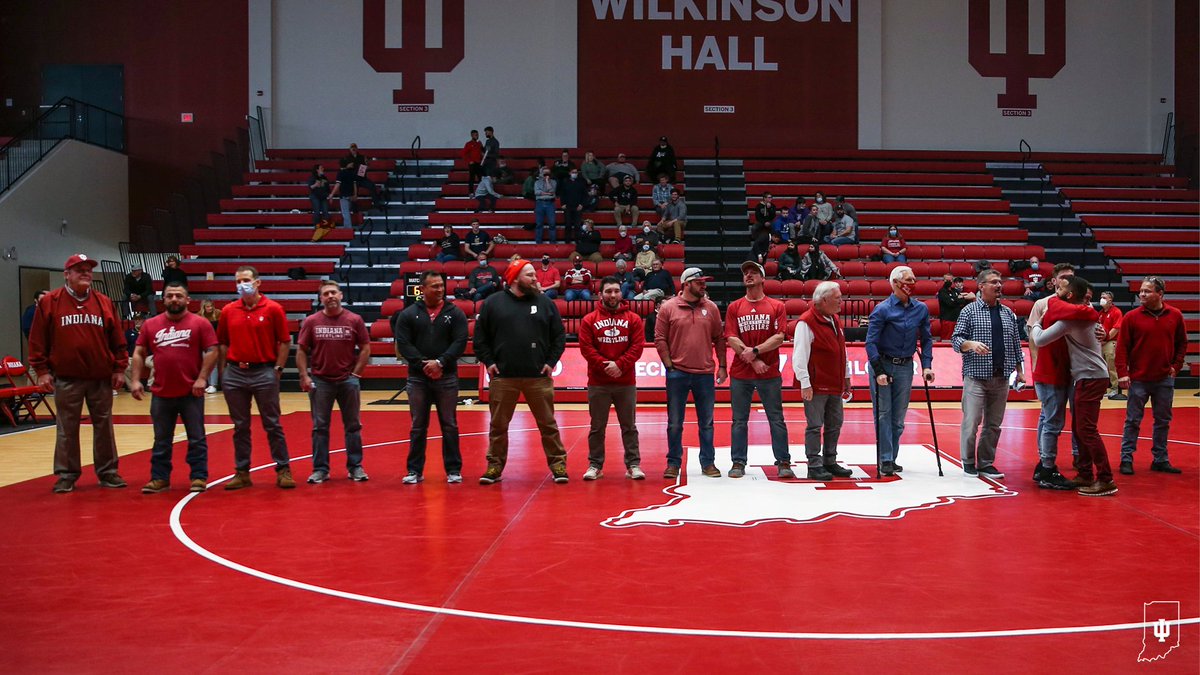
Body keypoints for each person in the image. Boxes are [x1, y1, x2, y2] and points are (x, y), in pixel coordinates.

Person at [29, 254, 129, 493]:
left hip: (100, 378)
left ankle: (108, 472)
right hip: (67, 377)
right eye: (79, 269)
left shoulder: (104, 302)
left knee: (104, 426)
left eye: (88, 269)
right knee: (67, 428)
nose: (85, 273)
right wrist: (42, 371)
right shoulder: (50, 302)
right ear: (67, 274)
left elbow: (117, 340)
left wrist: (119, 368)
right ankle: (66, 475)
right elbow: (37, 340)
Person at [474, 259, 568, 484]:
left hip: (538, 377)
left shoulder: (545, 303)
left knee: (548, 424)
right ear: (515, 278)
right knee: (498, 426)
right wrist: (489, 362)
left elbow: (559, 336)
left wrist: (551, 362)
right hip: (503, 377)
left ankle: (558, 464)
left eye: (535, 275)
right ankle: (494, 466)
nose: (535, 279)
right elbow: (480, 338)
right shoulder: (493, 303)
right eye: (530, 275)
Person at [1031, 276, 1118, 496]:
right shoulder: (1079, 313)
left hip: (1091, 377)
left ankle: (1106, 478)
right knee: (1080, 429)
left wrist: (1037, 323)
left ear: (1069, 295)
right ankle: (1085, 474)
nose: (1055, 292)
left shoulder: (1072, 318)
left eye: (1060, 289)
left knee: (1086, 429)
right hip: (1086, 376)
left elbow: (1039, 339)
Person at [130, 282, 218, 494]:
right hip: (161, 392)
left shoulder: (200, 323)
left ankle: (198, 476)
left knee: (196, 437)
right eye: (170, 296)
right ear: (164, 299)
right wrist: (135, 380)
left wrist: (202, 378)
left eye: (179, 295)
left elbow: (213, 351)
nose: (174, 299)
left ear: (187, 300)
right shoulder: (151, 324)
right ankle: (159, 478)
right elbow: (139, 352)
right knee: (161, 439)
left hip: (191, 392)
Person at [217, 265, 294, 490]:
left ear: (257, 282)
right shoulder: (228, 310)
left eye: (246, 280)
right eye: (238, 281)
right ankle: (242, 472)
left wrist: (278, 369)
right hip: (235, 373)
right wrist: (224, 372)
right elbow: (222, 342)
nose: (242, 284)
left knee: (272, 423)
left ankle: (283, 469)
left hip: (264, 371)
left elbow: (285, 341)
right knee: (240, 426)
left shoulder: (273, 309)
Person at [393, 271, 469, 484]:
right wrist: (424, 365)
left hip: (447, 376)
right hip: (418, 379)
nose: (440, 289)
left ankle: (453, 469)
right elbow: (404, 343)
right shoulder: (408, 314)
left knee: (449, 425)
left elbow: (460, 341)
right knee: (418, 426)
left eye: (441, 285)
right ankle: (414, 470)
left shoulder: (455, 313)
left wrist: (441, 362)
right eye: (434, 286)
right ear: (422, 289)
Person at [950, 269, 1024, 479]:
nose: (999, 285)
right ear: (981, 286)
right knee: (972, 421)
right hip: (976, 376)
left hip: (1001, 377)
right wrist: (970, 344)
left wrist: (1020, 371)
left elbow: (1016, 344)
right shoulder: (969, 311)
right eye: (993, 282)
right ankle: (968, 461)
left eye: (1000, 282)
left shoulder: (1008, 312)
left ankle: (986, 463)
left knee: (994, 424)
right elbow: (956, 339)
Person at [655, 267, 727, 479]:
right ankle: (673, 463)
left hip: (704, 373)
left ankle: (708, 462)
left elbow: (719, 338)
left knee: (707, 422)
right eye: (699, 282)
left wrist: (722, 366)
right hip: (677, 373)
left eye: (704, 281)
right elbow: (660, 338)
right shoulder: (668, 307)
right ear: (686, 284)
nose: (704, 285)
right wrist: (669, 365)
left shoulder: (711, 308)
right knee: (674, 423)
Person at [296, 281, 371, 484]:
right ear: (321, 298)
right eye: (326, 294)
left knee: (353, 425)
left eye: (333, 292)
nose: (330, 296)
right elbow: (301, 350)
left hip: (348, 380)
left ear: (341, 295)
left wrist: (356, 374)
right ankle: (320, 469)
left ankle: (355, 467)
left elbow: (365, 347)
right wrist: (304, 375)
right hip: (320, 381)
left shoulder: (354, 319)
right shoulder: (311, 321)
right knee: (319, 427)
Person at [724, 261, 792, 479]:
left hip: (769, 372)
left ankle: (783, 461)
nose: (749, 275)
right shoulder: (735, 307)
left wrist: (755, 351)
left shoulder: (776, 306)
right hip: (741, 372)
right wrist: (754, 360)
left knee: (776, 418)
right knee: (739, 420)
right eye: (746, 273)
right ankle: (738, 462)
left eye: (753, 272)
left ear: (763, 278)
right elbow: (731, 337)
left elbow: (779, 337)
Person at [865, 265, 935, 476]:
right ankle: (885, 458)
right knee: (883, 413)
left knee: (898, 418)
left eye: (914, 279)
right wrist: (878, 370)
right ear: (895, 283)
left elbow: (927, 339)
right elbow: (871, 342)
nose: (912, 284)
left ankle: (892, 457)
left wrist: (927, 365)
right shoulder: (882, 309)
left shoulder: (921, 309)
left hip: (905, 365)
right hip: (883, 364)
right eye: (908, 280)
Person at [1115, 276, 1187, 475]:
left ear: (1160, 294)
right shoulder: (1131, 317)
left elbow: (1182, 343)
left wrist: (1176, 366)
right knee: (1132, 420)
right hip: (1138, 379)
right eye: (1141, 291)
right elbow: (1122, 348)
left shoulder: (1175, 315)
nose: (1142, 294)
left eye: (1147, 291)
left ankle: (1160, 459)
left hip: (1164, 378)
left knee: (1163, 421)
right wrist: (1122, 373)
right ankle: (1126, 459)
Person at [579, 276, 646, 480]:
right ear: (600, 294)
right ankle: (595, 465)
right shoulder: (589, 320)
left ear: (621, 293)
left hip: (625, 382)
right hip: (598, 382)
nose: (613, 295)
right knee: (597, 427)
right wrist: (606, 366)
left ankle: (633, 465)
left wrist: (620, 365)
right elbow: (586, 348)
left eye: (616, 290)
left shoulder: (633, 319)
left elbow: (637, 347)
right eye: (608, 291)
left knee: (629, 426)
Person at [793, 280, 855, 480]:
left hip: (835, 382)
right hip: (816, 384)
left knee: (835, 423)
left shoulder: (834, 319)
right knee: (814, 425)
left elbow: (842, 349)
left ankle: (830, 460)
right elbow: (799, 356)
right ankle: (814, 464)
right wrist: (805, 383)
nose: (841, 301)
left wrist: (846, 375)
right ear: (824, 300)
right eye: (837, 298)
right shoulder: (806, 322)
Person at [1026, 263, 1081, 486]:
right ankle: (1045, 462)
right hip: (1050, 369)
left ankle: (1073, 457)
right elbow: (1034, 337)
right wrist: (1036, 365)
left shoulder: (1077, 304)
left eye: (1072, 277)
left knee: (1074, 415)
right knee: (1050, 419)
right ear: (1054, 281)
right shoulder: (1044, 304)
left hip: (1072, 369)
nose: (1068, 280)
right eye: (1064, 277)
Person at [1097, 291, 1125, 400]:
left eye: (1104, 297)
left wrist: (1106, 339)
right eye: (1101, 297)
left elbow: (1116, 328)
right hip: (1101, 342)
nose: (1102, 299)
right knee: (1101, 366)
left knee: (1111, 364)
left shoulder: (1116, 312)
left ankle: (1115, 388)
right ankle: (1102, 388)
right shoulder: (1100, 313)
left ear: (1110, 300)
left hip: (1111, 341)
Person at [937, 275, 975, 340]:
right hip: (947, 320)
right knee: (947, 339)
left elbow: (962, 300)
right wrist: (958, 299)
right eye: (947, 280)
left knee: (957, 339)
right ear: (943, 281)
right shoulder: (942, 291)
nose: (948, 282)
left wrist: (957, 299)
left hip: (957, 319)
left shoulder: (954, 290)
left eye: (950, 280)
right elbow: (950, 303)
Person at [198, 299, 222, 393]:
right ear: (204, 307)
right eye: (208, 307)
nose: (210, 308)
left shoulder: (218, 313)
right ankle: (208, 384)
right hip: (204, 342)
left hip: (215, 342)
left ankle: (213, 384)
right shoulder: (199, 315)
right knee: (206, 363)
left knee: (214, 364)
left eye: (211, 306)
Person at [560, 166, 588, 243]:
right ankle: (567, 240)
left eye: (576, 172)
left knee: (577, 225)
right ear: (569, 173)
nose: (575, 174)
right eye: (573, 172)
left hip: (578, 207)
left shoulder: (581, 182)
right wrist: (563, 204)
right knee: (568, 224)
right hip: (568, 206)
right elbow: (562, 194)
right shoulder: (565, 182)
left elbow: (585, 195)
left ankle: (577, 240)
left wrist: (582, 204)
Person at [533, 166, 558, 245]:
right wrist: (547, 193)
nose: (546, 174)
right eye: (545, 173)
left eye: (548, 173)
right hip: (540, 203)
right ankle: (538, 242)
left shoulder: (553, 182)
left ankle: (552, 242)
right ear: (541, 173)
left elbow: (552, 191)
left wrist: (547, 181)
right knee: (539, 224)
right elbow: (537, 192)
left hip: (550, 203)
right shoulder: (537, 182)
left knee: (552, 223)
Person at [329, 158, 357, 227]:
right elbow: (354, 184)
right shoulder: (352, 173)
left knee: (346, 214)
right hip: (351, 195)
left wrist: (332, 194)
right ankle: (347, 229)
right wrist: (355, 194)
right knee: (347, 213)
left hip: (344, 195)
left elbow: (338, 184)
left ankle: (348, 230)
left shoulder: (341, 173)